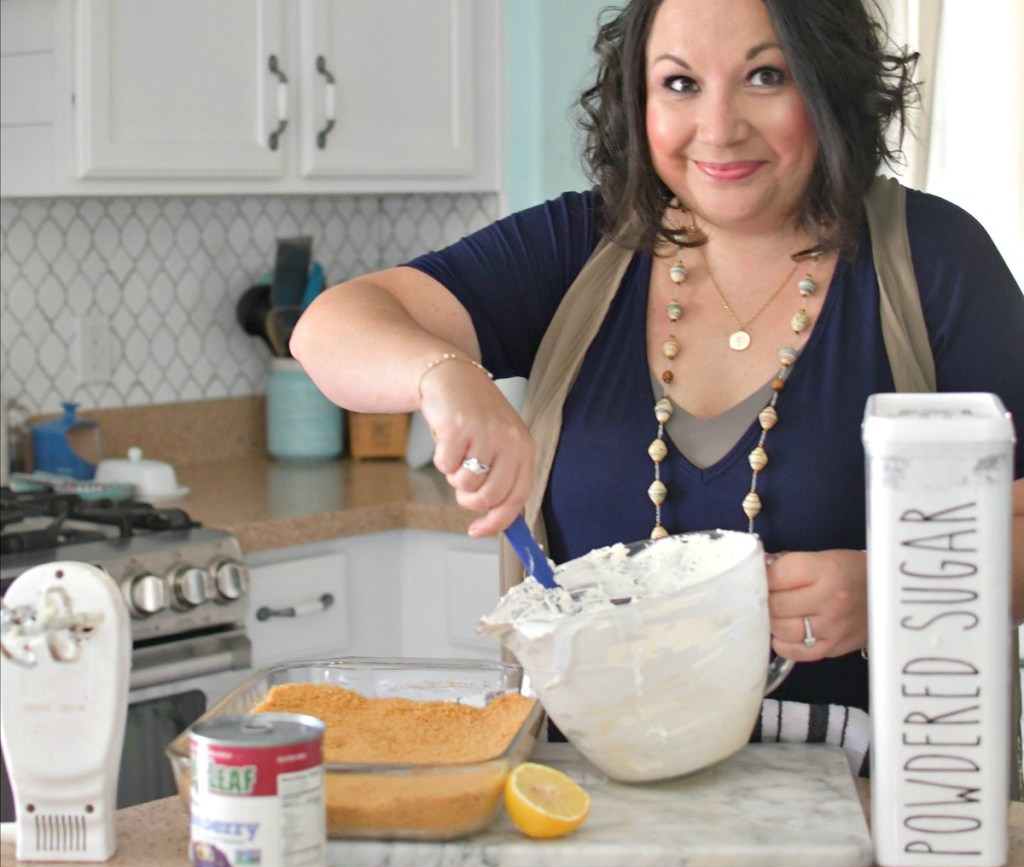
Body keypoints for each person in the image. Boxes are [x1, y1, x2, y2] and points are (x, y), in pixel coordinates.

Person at [292, 0, 1024, 738]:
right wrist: (444, 374)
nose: (719, 127)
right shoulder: (584, 244)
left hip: (877, 814)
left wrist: (905, 586)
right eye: (679, 84)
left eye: (765, 76)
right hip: (599, 808)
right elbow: (329, 329)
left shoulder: (934, 262)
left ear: (829, 83)